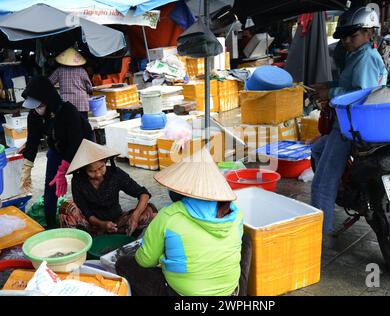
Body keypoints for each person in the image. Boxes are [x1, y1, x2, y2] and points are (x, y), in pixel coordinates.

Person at [115, 149, 252, 296]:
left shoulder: (169, 215)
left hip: (180, 293)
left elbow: (145, 261)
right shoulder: (235, 213)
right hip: (229, 291)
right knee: (246, 239)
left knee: (124, 264)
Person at [310, 6, 388, 233]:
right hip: (352, 123)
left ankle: (317, 235)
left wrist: (330, 94)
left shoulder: (365, 58)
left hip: (351, 126)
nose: (346, 41)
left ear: (368, 33)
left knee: (322, 184)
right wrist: (329, 86)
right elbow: (353, 85)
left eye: (352, 36)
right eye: (344, 36)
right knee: (317, 149)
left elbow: (362, 94)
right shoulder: (360, 55)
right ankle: (346, 188)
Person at [20, 76, 94, 229]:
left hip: (81, 148)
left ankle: (94, 221)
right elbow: (32, 142)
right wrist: (27, 168)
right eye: (33, 106)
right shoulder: (34, 116)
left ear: (48, 100)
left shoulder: (68, 111)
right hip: (57, 149)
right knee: (50, 187)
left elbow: (76, 141)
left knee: (84, 184)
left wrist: (63, 171)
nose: (36, 109)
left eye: (39, 105)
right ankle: (51, 225)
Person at [59, 139, 155, 237]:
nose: (98, 174)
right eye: (91, 171)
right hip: (91, 226)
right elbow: (85, 210)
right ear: (84, 169)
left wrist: (135, 216)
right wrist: (102, 224)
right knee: (66, 207)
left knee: (150, 210)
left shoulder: (115, 174)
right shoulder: (78, 181)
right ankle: (83, 242)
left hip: (117, 223)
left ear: (105, 161)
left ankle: (127, 237)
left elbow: (143, 194)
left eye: (101, 167)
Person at [49, 48, 92, 119]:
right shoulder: (82, 71)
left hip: (66, 104)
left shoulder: (59, 70)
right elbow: (89, 88)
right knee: (83, 126)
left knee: (69, 126)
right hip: (81, 103)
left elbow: (49, 83)